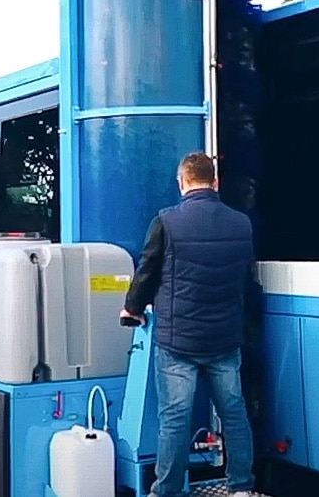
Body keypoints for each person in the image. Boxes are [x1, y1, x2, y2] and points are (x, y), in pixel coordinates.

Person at [120, 152, 263, 497]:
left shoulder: (167, 222)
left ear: (182, 182)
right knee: (233, 414)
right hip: (225, 339)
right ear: (215, 182)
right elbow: (246, 279)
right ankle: (241, 487)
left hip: (178, 343)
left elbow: (147, 270)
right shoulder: (241, 224)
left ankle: (166, 491)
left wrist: (132, 308)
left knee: (175, 420)